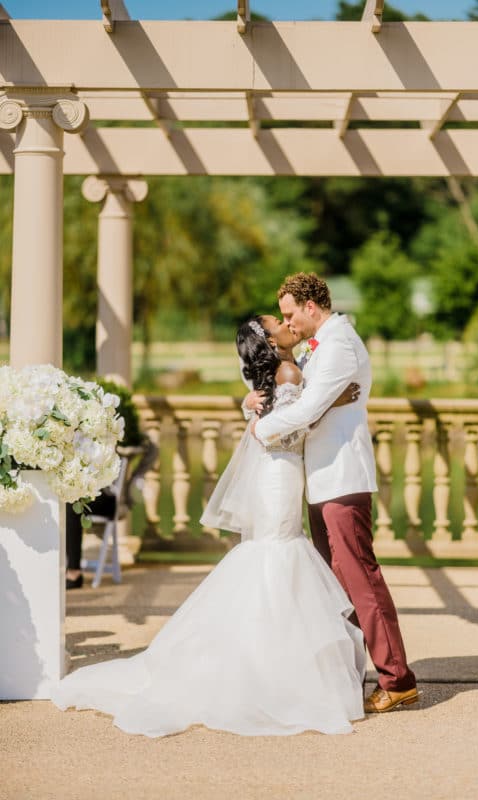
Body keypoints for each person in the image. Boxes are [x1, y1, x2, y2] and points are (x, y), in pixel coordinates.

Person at [50, 316, 367, 738]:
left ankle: (262, 663)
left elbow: (275, 407)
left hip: (279, 473)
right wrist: (321, 403)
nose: (286, 322)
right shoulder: (290, 371)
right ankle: (275, 677)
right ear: (270, 341)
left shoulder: (286, 371)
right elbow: (292, 425)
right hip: (282, 471)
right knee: (278, 552)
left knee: (272, 554)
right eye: (278, 322)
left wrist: (256, 408)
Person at [252, 273, 418, 714]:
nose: (288, 324)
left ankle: (398, 678)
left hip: (343, 477)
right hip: (321, 479)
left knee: (360, 578)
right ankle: (349, 674)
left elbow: (308, 408)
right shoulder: (316, 349)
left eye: (290, 314)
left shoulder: (340, 343)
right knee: (335, 584)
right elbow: (294, 397)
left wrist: (260, 430)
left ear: (311, 306)